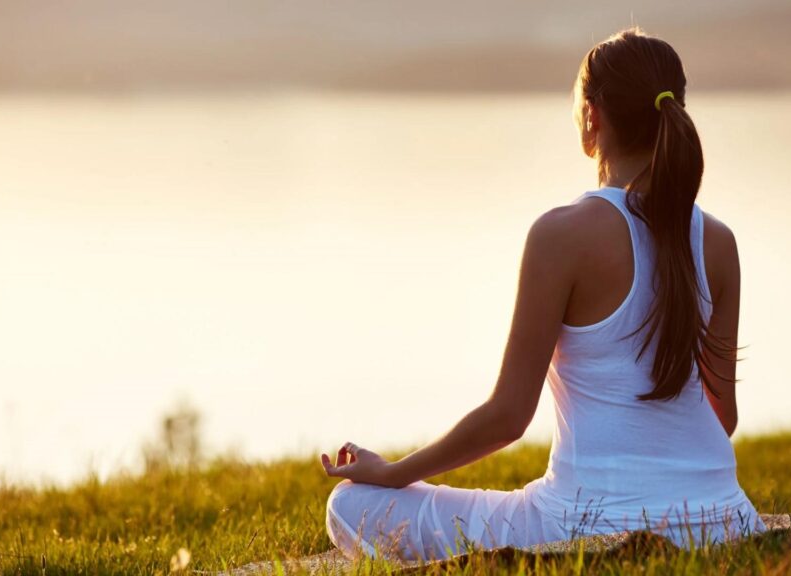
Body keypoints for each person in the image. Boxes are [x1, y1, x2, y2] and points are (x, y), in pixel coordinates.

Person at [320, 26, 767, 562]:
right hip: (727, 517)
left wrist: (393, 473)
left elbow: (509, 417)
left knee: (349, 506)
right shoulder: (717, 241)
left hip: (582, 523)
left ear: (591, 117)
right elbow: (724, 419)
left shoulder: (561, 235)